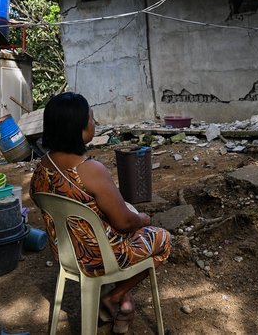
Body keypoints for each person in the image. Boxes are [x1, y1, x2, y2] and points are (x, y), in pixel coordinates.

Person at [30, 92, 170, 334]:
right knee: (162, 239)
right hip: (99, 259)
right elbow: (125, 222)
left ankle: (121, 302)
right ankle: (115, 297)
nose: (94, 123)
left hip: (68, 255)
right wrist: (143, 219)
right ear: (80, 129)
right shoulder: (90, 170)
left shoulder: (41, 168)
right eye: (91, 119)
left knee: (107, 229)